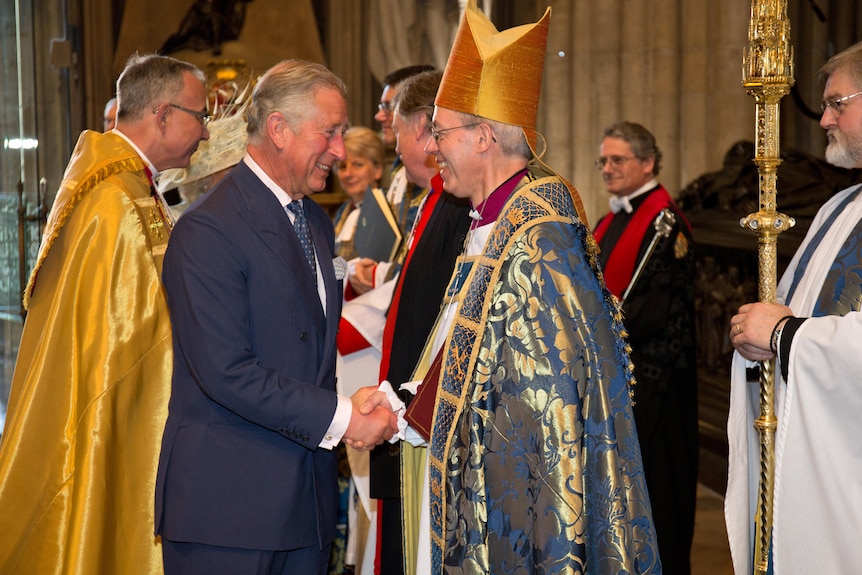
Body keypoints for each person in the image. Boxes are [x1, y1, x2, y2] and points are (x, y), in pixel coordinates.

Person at [408, 2, 662, 573]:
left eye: (440, 132)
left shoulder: (537, 241)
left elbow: (546, 412)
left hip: (512, 503)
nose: (431, 148)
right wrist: (411, 407)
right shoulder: (493, 224)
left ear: (483, 138)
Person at [154, 59, 398, 575]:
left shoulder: (314, 220)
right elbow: (226, 371)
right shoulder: (208, 231)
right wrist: (344, 418)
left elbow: (302, 350)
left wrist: (350, 404)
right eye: (329, 132)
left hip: (303, 506)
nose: (339, 149)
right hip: (229, 513)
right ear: (279, 129)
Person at [0, 53, 209, 575]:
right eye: (200, 116)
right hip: (110, 404)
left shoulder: (129, 184)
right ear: (162, 115)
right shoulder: (115, 199)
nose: (206, 133)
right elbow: (137, 335)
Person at [727, 41, 862, 575]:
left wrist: (783, 336)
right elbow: (790, 310)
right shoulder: (840, 206)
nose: (825, 118)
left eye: (838, 103)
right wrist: (756, 336)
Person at [366, 69, 472, 575]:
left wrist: (407, 404)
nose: (400, 148)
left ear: (427, 130)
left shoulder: (455, 206)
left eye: (401, 132)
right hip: (402, 407)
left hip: (422, 420)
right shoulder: (434, 197)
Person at [593, 121, 698, 575]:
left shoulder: (664, 223)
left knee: (658, 499)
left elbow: (655, 312)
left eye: (618, 160)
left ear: (648, 163)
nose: (608, 169)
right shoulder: (613, 217)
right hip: (621, 379)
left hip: (655, 389)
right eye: (603, 161)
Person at [158, 85, 251, 219]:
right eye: (233, 167)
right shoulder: (174, 219)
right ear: (205, 180)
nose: (244, 174)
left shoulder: (248, 215)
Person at [333, 126, 386, 259]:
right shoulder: (342, 213)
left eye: (357, 164)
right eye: (342, 166)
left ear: (378, 169)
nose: (348, 174)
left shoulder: (390, 210)